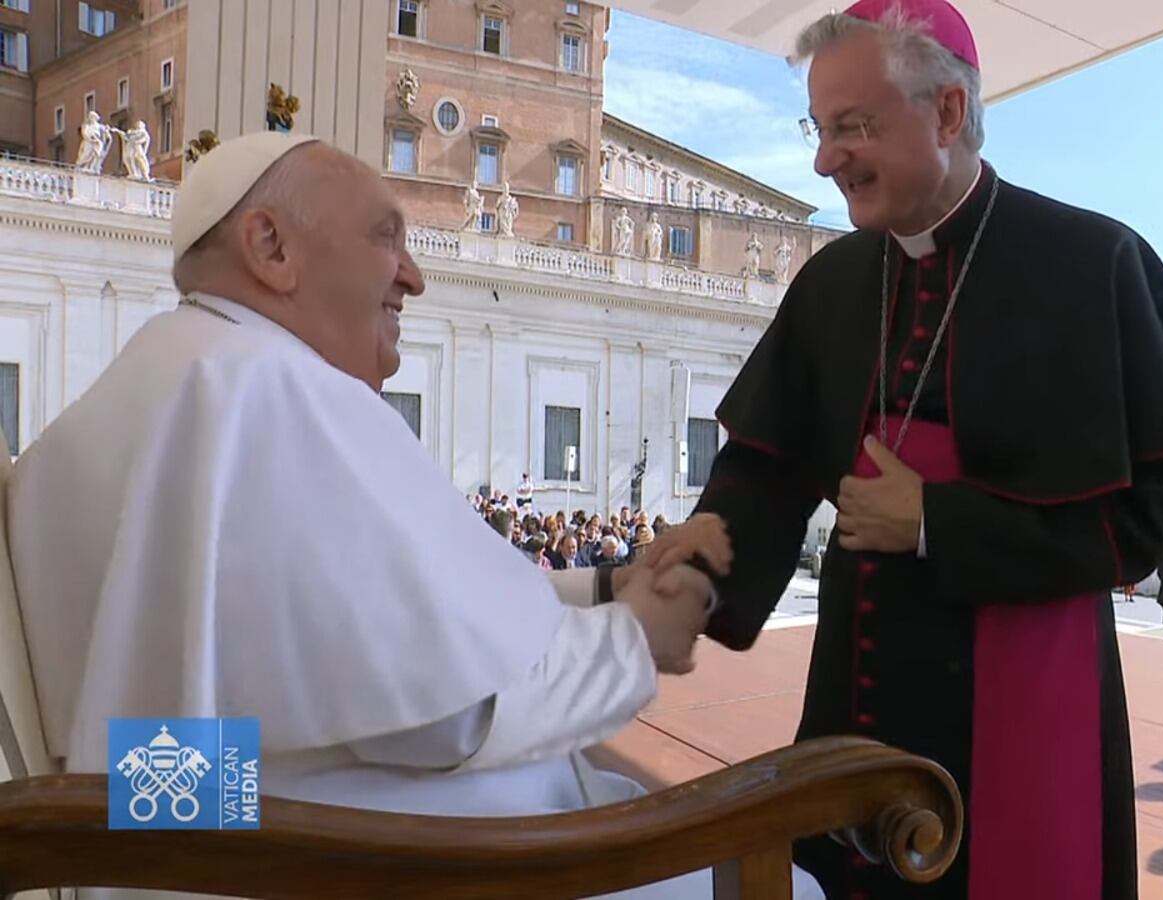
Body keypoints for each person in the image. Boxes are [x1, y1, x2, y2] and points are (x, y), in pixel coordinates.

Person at [5, 132, 821, 900]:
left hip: (185, 835)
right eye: (385, 237)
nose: (415, 277)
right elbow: (449, 713)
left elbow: (283, 691)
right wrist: (636, 634)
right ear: (271, 247)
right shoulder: (277, 390)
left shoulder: (154, 384)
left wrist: (605, 589)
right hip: (354, 866)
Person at [644, 2, 1163, 896]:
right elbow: (764, 468)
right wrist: (703, 567)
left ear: (949, 113)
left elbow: (1146, 522)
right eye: (818, 127)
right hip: (858, 691)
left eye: (853, 127)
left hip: (1025, 709)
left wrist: (936, 523)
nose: (822, 158)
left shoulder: (1095, 262)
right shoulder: (834, 279)